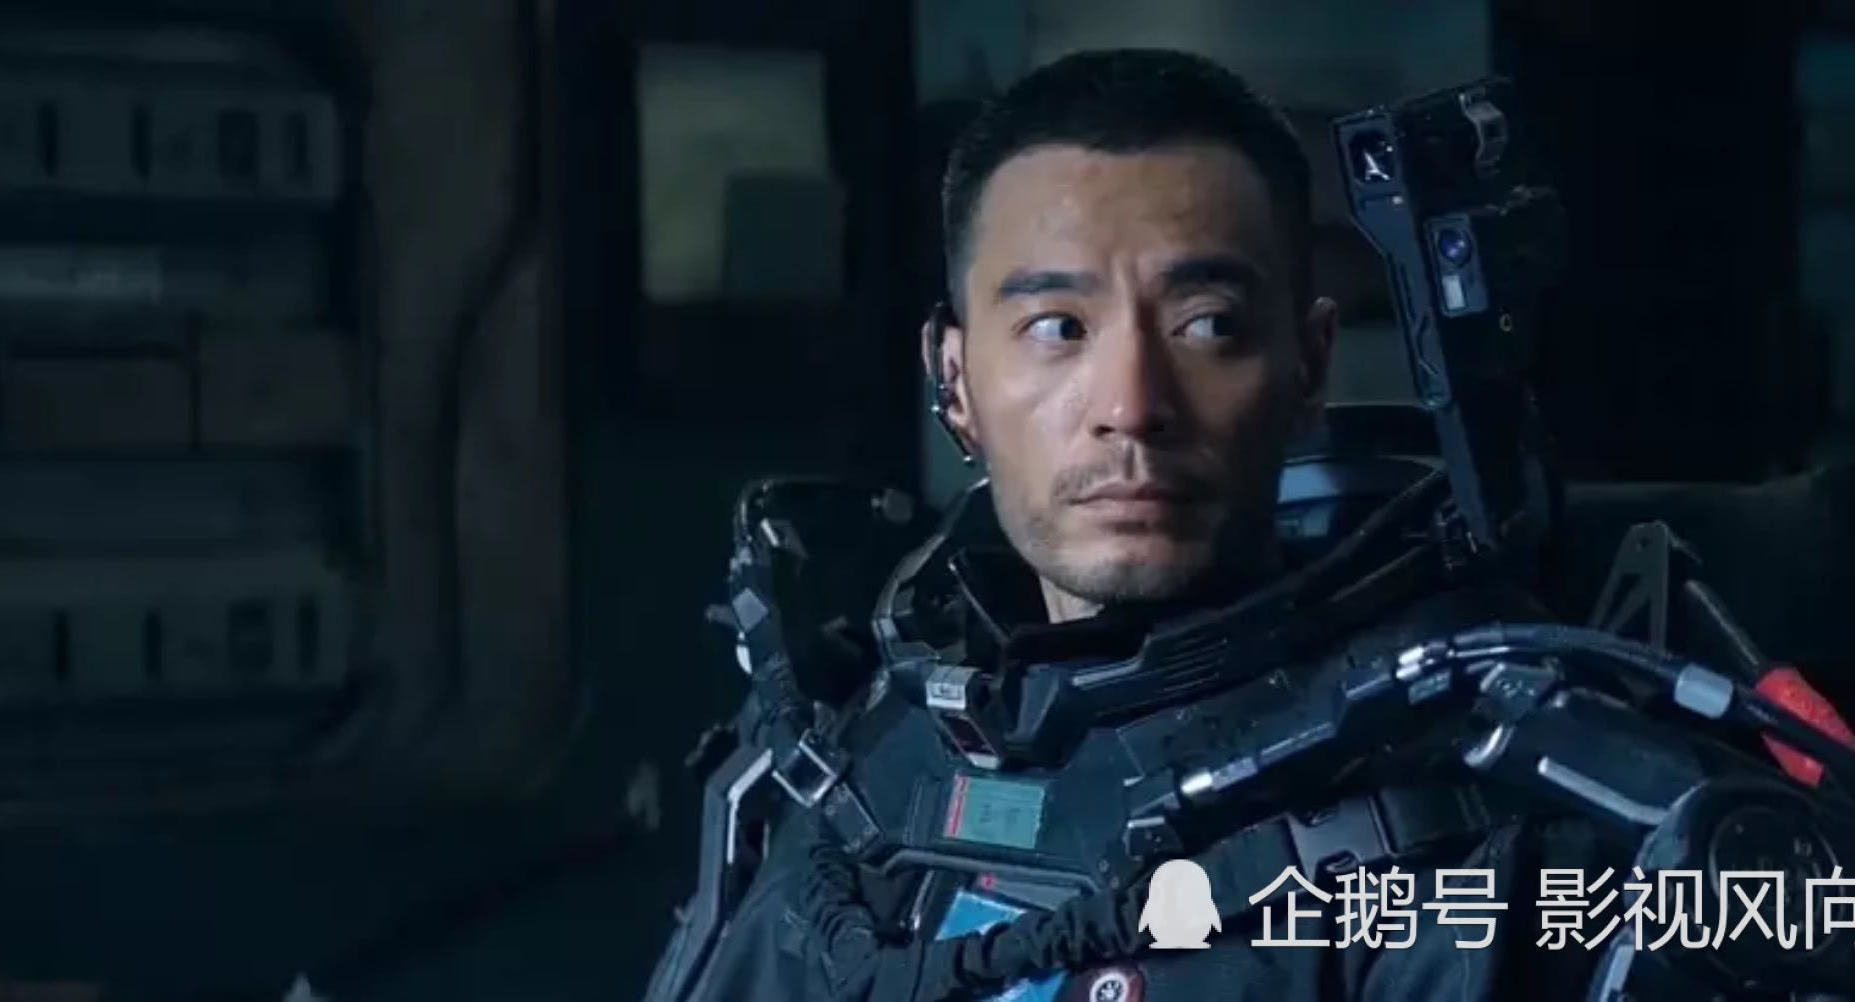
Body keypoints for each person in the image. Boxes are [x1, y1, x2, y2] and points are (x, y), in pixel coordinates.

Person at [642, 49, 1616, 1002]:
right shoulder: (861, 760)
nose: (1132, 405)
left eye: (1207, 326)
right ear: (955, 379)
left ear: (1309, 365)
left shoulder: (1458, 823)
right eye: (1058, 328)